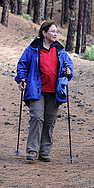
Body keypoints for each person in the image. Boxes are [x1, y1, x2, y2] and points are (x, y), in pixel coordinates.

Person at [15, 21, 74, 162]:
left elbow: (69, 65)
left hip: (55, 91)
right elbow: (22, 64)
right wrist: (21, 79)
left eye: (56, 32)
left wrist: (68, 71)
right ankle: (32, 151)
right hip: (37, 89)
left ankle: (44, 151)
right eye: (52, 31)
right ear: (44, 33)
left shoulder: (59, 50)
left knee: (50, 120)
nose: (55, 34)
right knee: (37, 117)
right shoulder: (33, 48)